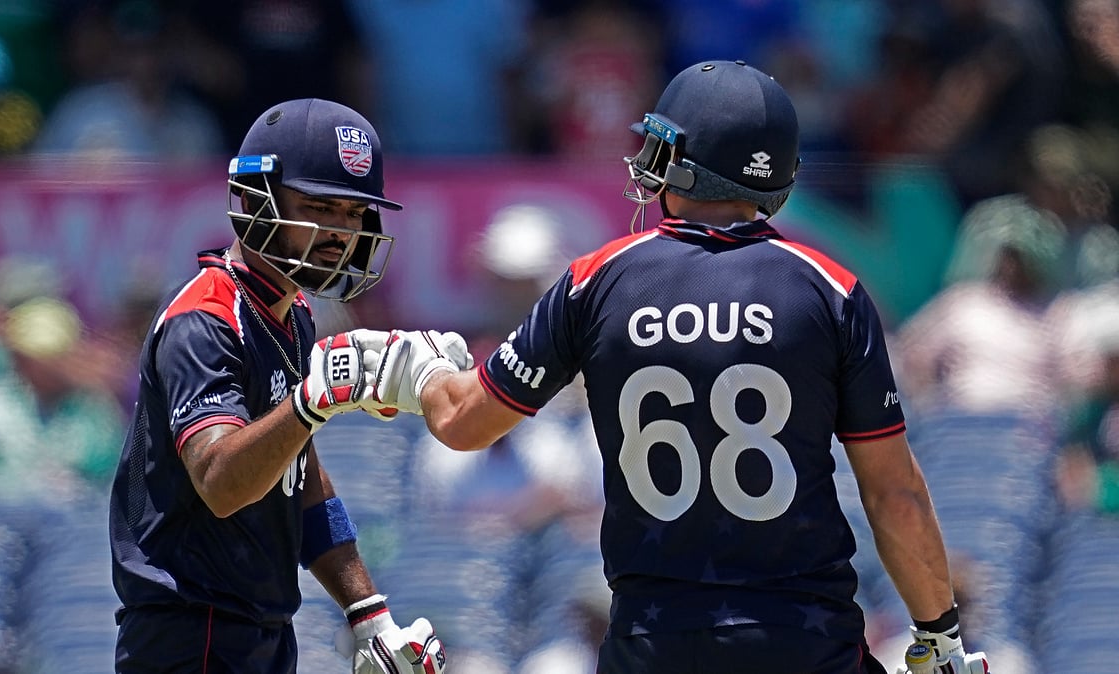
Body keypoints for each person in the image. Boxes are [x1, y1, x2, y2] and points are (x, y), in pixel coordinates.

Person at [357, 61, 989, 673]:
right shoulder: (831, 291)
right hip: (801, 637)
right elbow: (894, 494)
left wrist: (421, 373)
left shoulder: (594, 280)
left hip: (652, 638)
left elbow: (465, 425)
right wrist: (940, 635)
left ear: (683, 160)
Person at [107, 98, 447, 673]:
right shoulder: (205, 320)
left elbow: (299, 474)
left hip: (260, 633)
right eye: (319, 207)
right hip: (191, 633)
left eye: (353, 211)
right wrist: (313, 400)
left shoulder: (293, 314)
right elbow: (220, 480)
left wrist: (368, 614)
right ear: (256, 198)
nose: (341, 232)